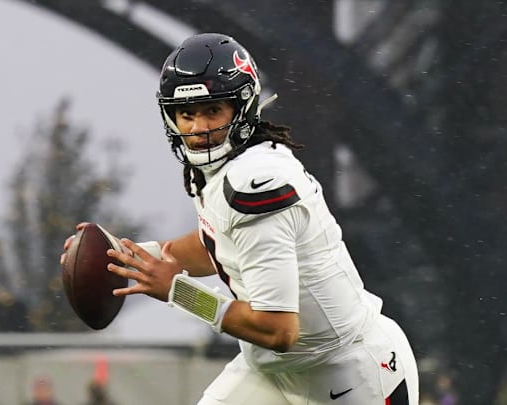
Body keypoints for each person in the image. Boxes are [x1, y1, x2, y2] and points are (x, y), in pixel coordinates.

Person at [63, 32, 419, 404]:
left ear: (242, 108)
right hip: (276, 371)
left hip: (348, 372)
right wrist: (127, 257)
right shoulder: (225, 170)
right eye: (187, 114)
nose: (199, 129)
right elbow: (217, 245)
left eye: (212, 111)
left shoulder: (255, 182)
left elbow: (280, 329)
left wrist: (177, 290)